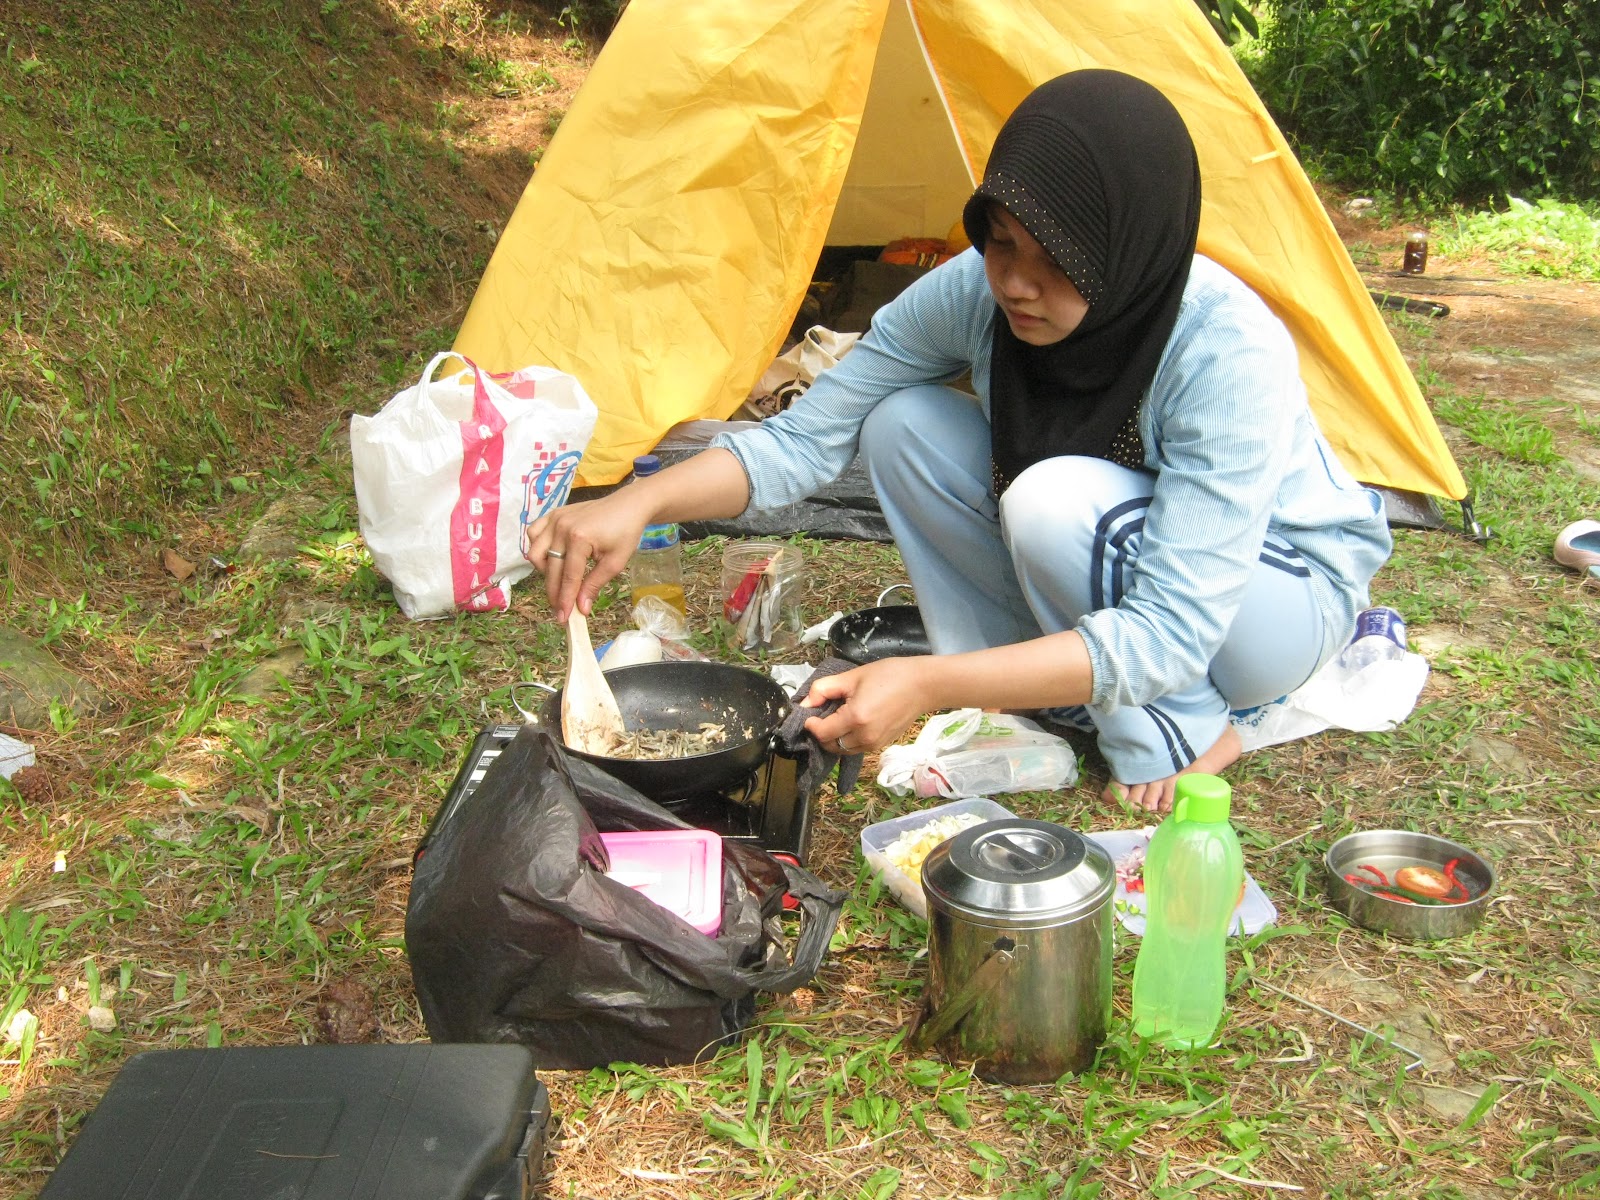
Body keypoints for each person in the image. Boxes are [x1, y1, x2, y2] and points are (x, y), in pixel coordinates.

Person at [524, 69, 1392, 813]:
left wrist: (926, 683)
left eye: (1058, 258)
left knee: (1051, 499)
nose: (1015, 281)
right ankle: (1025, 688)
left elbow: (1170, 633)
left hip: (1276, 601)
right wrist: (638, 500)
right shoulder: (972, 295)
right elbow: (800, 443)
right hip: (1136, 570)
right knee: (904, 426)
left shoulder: (1219, 348)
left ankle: (1189, 730)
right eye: (1001, 243)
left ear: (1126, 250)